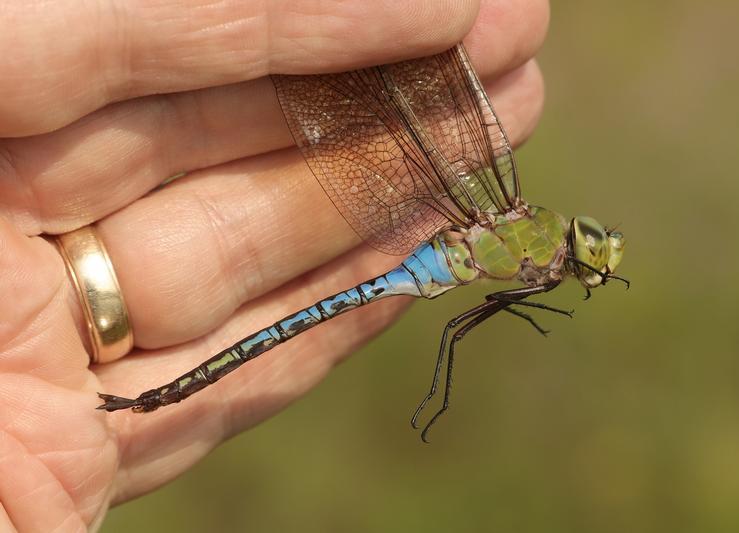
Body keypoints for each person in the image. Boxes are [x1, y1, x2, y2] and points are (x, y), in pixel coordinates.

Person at [0, 0, 549, 529]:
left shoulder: (520, 242)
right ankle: (150, 400)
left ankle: (147, 400)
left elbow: (492, 305)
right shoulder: (519, 234)